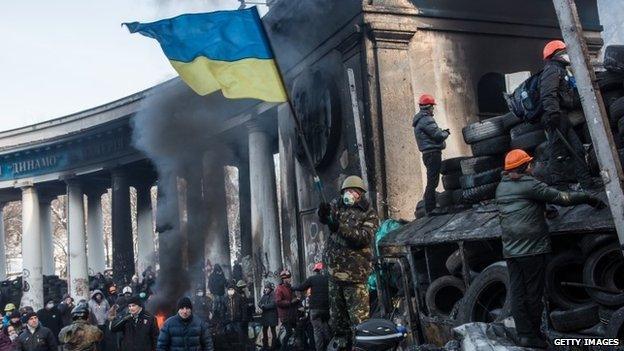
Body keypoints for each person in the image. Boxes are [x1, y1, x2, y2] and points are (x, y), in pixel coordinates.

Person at [496, 149, 606, 349]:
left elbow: (526, 204)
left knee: (518, 293)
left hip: (511, 250)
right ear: (524, 168)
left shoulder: (502, 187)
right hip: (532, 249)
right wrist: (588, 198)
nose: (532, 166)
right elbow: (562, 197)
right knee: (534, 293)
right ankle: (534, 336)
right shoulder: (530, 184)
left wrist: (545, 210)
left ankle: (524, 335)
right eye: (529, 164)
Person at [317, 175, 379, 343]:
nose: (349, 194)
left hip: (355, 278)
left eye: (353, 191)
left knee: (360, 324)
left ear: (360, 194)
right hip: (335, 276)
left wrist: (339, 227)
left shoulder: (369, 214)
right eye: (347, 191)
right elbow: (327, 217)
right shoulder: (337, 205)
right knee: (337, 323)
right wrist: (322, 214)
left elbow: (363, 238)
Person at [539, 40, 596, 190]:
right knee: (557, 153)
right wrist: (553, 114)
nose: (568, 54)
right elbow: (547, 94)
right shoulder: (552, 70)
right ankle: (560, 189)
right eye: (565, 51)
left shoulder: (560, 69)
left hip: (561, 116)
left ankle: (587, 184)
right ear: (558, 54)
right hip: (555, 117)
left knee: (576, 150)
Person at [412, 94, 450, 216]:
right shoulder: (426, 119)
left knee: (432, 181)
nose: (433, 109)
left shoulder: (420, 120)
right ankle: (430, 208)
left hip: (428, 154)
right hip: (433, 153)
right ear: (428, 107)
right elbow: (438, 135)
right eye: (432, 106)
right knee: (432, 182)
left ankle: (428, 207)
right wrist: (445, 133)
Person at [293, 263, 330, 351]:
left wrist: (292, 287)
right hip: (326, 308)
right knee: (326, 327)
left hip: (315, 309)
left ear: (316, 271)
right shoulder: (328, 279)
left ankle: (319, 349)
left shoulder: (312, 279)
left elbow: (301, 287)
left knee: (317, 331)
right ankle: (330, 346)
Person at [275, 270, 299, 351]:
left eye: (290, 278)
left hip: (292, 315)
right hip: (285, 316)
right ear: (284, 279)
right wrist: (290, 302)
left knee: (297, 332)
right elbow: (278, 302)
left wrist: (297, 300)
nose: (290, 279)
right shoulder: (279, 289)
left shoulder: (290, 288)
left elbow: (294, 299)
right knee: (289, 332)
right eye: (288, 278)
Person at [258, 282, 278, 350]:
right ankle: (265, 345)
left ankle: (273, 346)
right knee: (264, 331)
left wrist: (264, 306)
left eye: (267, 288)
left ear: (270, 288)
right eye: (265, 288)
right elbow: (259, 303)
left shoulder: (274, 295)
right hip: (265, 316)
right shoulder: (264, 296)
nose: (266, 289)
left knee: (273, 332)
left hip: (272, 316)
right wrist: (262, 306)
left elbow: (273, 304)